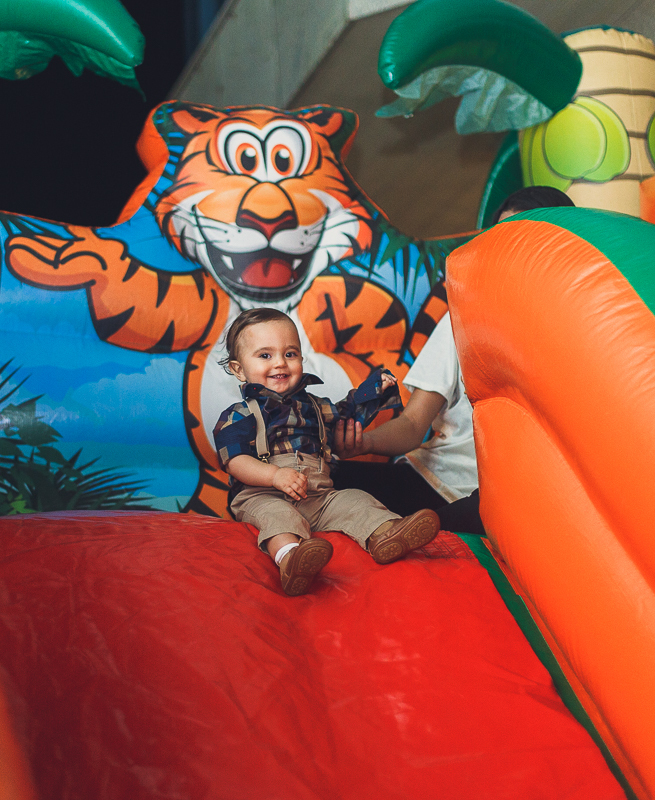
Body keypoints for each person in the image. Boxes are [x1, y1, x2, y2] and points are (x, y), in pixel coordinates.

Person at [331, 186, 576, 534]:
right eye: (498, 242)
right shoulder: (464, 318)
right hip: (428, 478)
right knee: (310, 480)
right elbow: (414, 425)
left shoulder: (573, 329)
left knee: (482, 515)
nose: (507, 254)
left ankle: (411, 534)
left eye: (521, 240)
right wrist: (362, 444)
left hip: (496, 499)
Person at [213, 308, 440, 596]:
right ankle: (292, 559)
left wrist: (375, 389)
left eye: (290, 354)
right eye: (265, 356)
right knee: (278, 516)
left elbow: (347, 414)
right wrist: (274, 475)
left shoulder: (315, 406)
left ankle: (386, 534)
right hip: (262, 493)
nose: (280, 363)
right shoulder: (240, 415)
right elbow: (235, 461)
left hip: (317, 495)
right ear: (238, 369)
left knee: (355, 499)